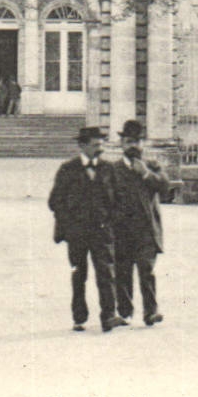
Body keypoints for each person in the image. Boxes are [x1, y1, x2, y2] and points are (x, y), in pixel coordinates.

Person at [48, 126, 123, 332]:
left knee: (106, 273)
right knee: (79, 274)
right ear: (82, 146)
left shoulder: (109, 169)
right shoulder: (68, 169)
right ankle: (79, 317)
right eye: (95, 145)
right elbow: (55, 201)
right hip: (77, 234)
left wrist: (110, 221)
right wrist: (70, 224)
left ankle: (109, 316)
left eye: (101, 144)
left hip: (102, 232)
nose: (100, 149)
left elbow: (119, 200)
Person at [110, 119, 170, 327]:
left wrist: (145, 173)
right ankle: (125, 312)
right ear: (122, 144)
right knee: (122, 272)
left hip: (146, 230)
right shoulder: (114, 169)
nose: (133, 146)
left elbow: (165, 188)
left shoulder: (152, 166)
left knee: (147, 270)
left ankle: (150, 312)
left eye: (136, 141)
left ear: (142, 143)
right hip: (122, 230)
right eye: (128, 142)